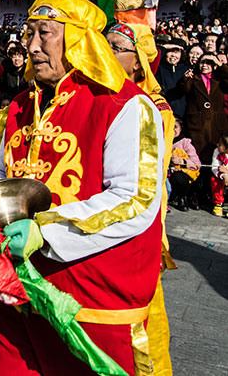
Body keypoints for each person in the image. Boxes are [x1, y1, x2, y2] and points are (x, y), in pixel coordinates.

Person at [0, 0, 165, 375]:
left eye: (44, 33)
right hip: (21, 292)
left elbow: (135, 200)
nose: (31, 46)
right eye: (29, 33)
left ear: (78, 40)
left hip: (91, 303)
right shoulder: (19, 106)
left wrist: (45, 232)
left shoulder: (123, 104)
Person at [105, 21, 175, 375]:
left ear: (139, 63)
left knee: (140, 323)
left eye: (117, 48)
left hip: (134, 222)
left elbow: (146, 182)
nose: (107, 52)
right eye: (105, 44)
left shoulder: (154, 108)